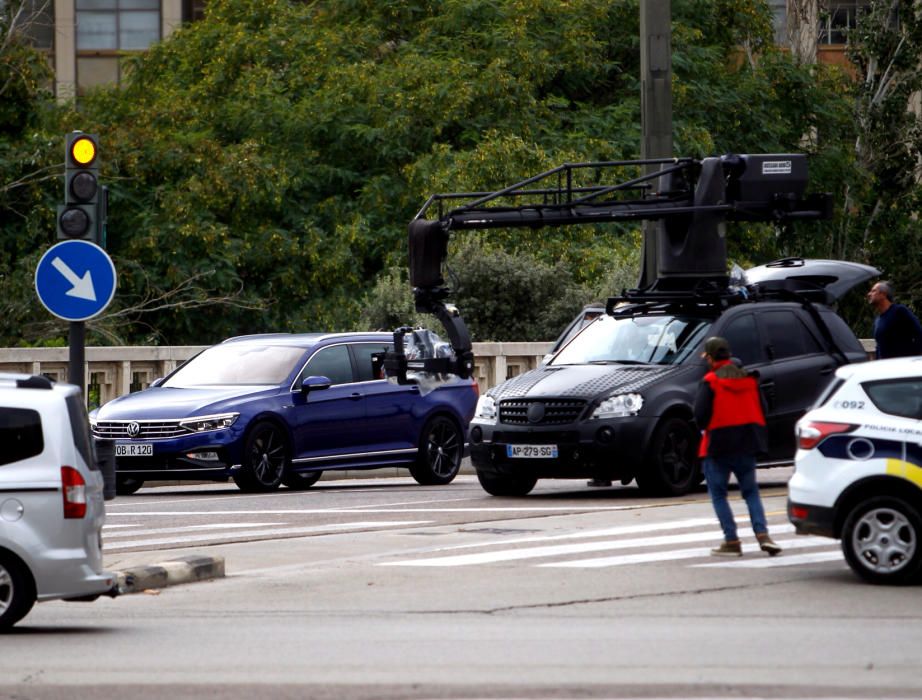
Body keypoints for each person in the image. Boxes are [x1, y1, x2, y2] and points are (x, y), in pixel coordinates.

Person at [694, 336, 781, 557]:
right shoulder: (750, 380)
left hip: (719, 445)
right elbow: (763, 408)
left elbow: (700, 416)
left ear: (712, 358)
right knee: (751, 492)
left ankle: (731, 540)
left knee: (719, 494)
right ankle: (763, 535)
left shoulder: (711, 381)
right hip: (747, 443)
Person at [867, 280, 922, 359]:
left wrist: (914, 357)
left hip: (902, 366)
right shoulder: (878, 320)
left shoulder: (899, 311)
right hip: (885, 367)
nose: (869, 294)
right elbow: (879, 346)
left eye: (873, 291)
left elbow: (919, 333)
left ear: (883, 294)